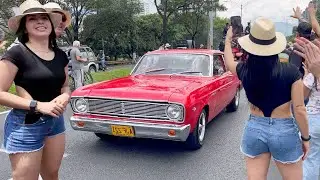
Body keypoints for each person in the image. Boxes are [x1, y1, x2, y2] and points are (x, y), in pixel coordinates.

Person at [224, 17, 310, 179]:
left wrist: (228, 40)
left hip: (255, 128)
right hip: (284, 130)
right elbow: (299, 109)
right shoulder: (291, 72)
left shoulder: (244, 70)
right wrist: (305, 138)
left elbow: (229, 63)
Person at [0, 0, 70, 179]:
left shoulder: (61, 55)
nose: (40, 22)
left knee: (52, 174)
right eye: (33, 19)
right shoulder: (16, 53)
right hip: (26, 124)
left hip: (56, 123)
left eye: (44, 18)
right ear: (24, 27)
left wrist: (65, 97)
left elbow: (65, 86)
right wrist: (37, 105)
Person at [293, 37, 320, 180]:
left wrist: (308, 73)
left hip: (313, 120)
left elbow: (301, 96)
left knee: (309, 159)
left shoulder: (312, 76)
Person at [7, 2, 71, 51]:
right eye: (45, 18)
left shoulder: (56, 51)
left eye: (63, 18)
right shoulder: (17, 51)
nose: (60, 22)